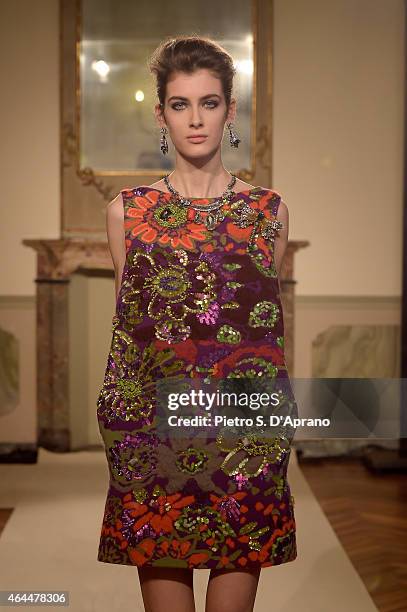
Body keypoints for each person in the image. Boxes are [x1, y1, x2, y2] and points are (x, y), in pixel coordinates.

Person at [97, 35, 297, 612]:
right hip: (153, 430)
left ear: (230, 111)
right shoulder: (126, 213)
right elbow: (132, 330)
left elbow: (258, 329)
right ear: (161, 113)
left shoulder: (268, 212)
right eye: (180, 105)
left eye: (209, 103)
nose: (196, 119)